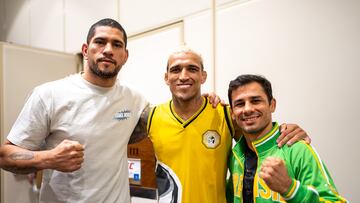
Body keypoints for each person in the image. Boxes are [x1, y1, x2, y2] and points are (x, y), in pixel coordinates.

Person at [0, 18, 149, 203]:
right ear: (86, 50)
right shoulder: (49, 95)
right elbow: (6, 155)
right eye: (100, 42)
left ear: (125, 56)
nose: (108, 50)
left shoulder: (135, 99)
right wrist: (48, 158)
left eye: (116, 44)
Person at [136, 48, 310, 203]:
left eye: (192, 69)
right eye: (175, 70)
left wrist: (287, 130)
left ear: (203, 76)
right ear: (166, 78)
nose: (183, 76)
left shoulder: (226, 114)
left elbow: (261, 137)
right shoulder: (150, 116)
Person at [226, 74, 347, 202]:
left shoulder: (298, 150)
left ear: (272, 105)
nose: (248, 109)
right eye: (240, 104)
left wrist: (291, 190)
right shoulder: (235, 155)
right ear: (232, 113)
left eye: (256, 101)